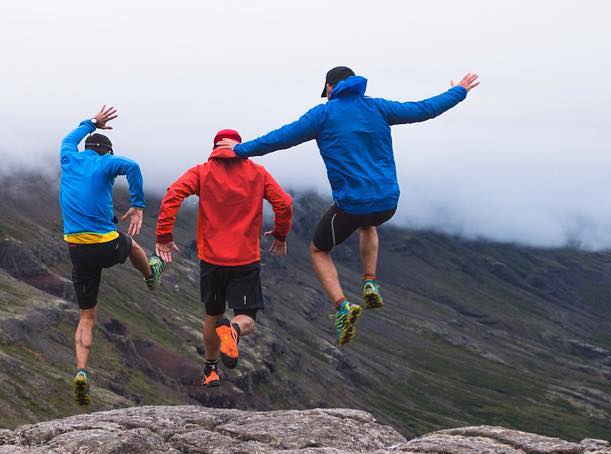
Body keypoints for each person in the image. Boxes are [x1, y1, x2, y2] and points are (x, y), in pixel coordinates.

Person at [218, 66, 480, 346]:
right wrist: (459, 91)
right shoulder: (378, 107)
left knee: (319, 250)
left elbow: (280, 138)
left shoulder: (323, 114)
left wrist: (237, 150)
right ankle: (369, 281)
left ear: (330, 88)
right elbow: (424, 108)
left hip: (353, 205)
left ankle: (342, 306)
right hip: (387, 201)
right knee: (369, 222)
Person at [155, 129, 293, 388]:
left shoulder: (201, 172)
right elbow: (284, 203)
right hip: (244, 261)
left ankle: (210, 371)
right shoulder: (257, 172)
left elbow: (173, 194)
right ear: (240, 146)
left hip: (212, 261)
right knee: (246, 317)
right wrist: (280, 235)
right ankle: (235, 330)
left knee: (212, 316)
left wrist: (164, 235)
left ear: (215, 146)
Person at [60, 105, 164, 405]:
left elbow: (70, 136)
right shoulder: (106, 164)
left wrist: (93, 122)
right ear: (106, 153)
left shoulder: (68, 157)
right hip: (105, 242)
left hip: (77, 249)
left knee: (86, 317)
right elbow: (132, 167)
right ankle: (150, 275)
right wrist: (138, 204)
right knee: (131, 245)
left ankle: (81, 372)